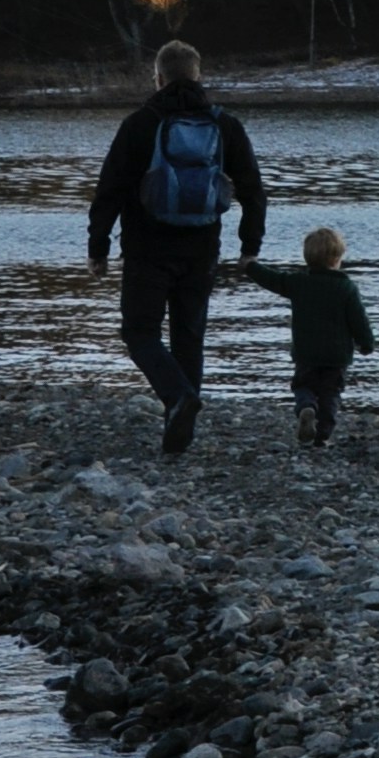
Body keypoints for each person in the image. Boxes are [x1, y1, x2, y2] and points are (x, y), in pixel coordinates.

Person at [87, 38, 267, 454]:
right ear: (199, 76)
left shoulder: (139, 123)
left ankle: (177, 399)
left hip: (146, 249)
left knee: (139, 331)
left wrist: (98, 248)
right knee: (189, 336)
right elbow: (254, 191)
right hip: (202, 248)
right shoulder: (225, 125)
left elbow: (109, 191)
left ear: (159, 77)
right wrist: (250, 246)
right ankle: (181, 422)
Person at [244, 227, 376, 446]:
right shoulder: (346, 288)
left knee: (303, 386)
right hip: (337, 356)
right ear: (337, 258)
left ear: (307, 258)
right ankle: (322, 435)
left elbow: (272, 279)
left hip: (306, 352)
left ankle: (306, 407)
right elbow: (358, 321)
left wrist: (250, 266)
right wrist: (366, 343)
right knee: (330, 394)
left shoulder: (299, 283)